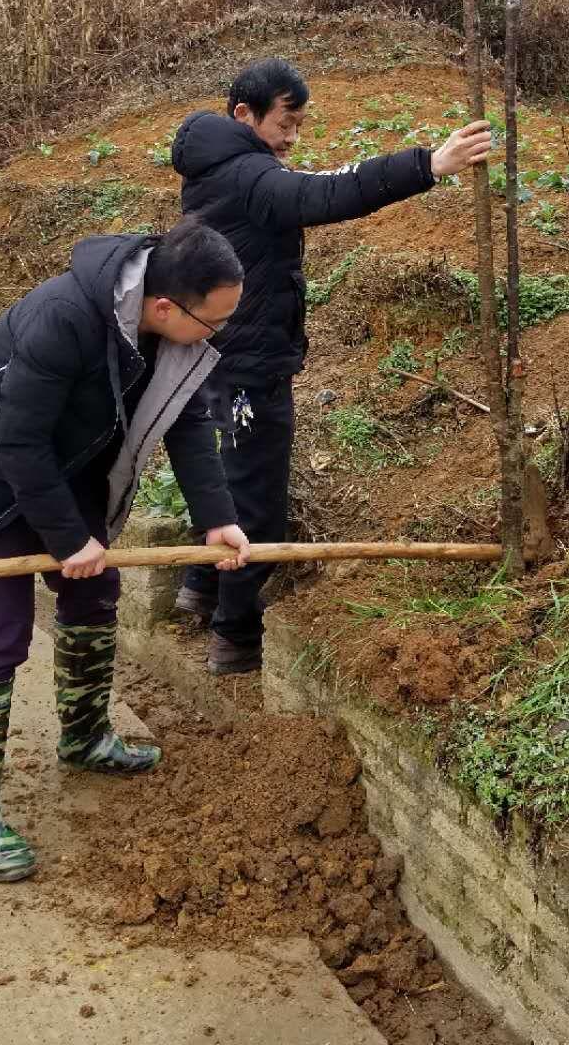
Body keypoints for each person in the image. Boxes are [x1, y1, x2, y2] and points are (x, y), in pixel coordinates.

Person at [0, 219, 250, 883]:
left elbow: (186, 419)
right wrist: (70, 540)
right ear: (163, 306)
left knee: (95, 597)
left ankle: (86, 737)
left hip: (66, 473)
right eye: (211, 321)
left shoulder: (165, 338)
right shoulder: (63, 316)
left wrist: (217, 520)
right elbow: (16, 441)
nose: (217, 335)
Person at [171, 58, 498, 675]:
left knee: (223, 471)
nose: (293, 136)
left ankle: (199, 586)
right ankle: (235, 638)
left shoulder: (217, 168)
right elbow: (323, 194)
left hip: (216, 356)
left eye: (299, 123)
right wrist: (428, 164)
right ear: (244, 115)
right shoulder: (247, 175)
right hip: (246, 365)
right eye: (285, 122)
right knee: (256, 499)